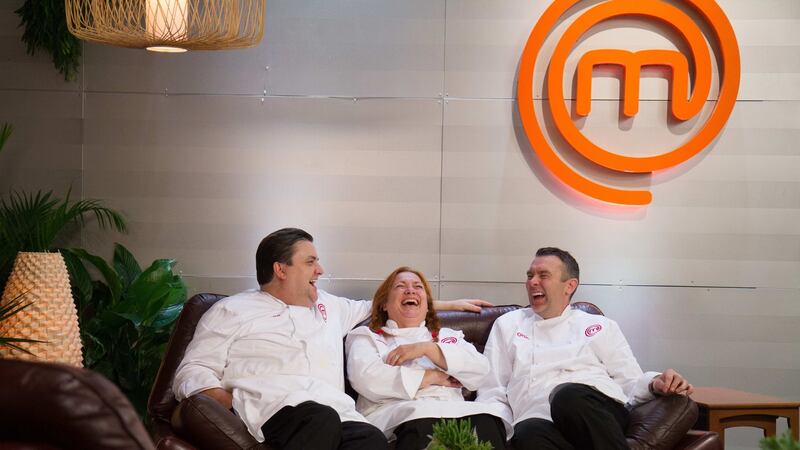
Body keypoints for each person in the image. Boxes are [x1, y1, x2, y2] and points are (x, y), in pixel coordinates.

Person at [173, 228, 491, 450]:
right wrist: (223, 400)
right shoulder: (231, 309)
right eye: (310, 262)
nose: (320, 269)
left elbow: (386, 303)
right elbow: (193, 369)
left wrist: (450, 304)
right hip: (270, 408)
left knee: (371, 440)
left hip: (336, 412)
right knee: (320, 417)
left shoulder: (330, 306)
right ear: (281, 269)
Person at [477, 247, 693, 450]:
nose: (532, 282)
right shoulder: (508, 325)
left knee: (566, 396)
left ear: (569, 285)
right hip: (539, 419)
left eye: (543, 275)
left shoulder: (599, 326)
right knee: (526, 432)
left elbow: (629, 380)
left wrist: (656, 383)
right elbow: (492, 390)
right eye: (529, 275)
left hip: (594, 412)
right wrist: (499, 432)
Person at [346, 267, 507, 450]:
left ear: (427, 304)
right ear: (384, 304)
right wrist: (432, 376)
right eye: (400, 286)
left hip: (456, 410)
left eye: (418, 286)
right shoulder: (366, 336)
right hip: (398, 416)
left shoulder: (448, 336)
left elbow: (481, 371)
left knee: (488, 420)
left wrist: (427, 349)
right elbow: (367, 378)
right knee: (423, 422)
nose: (410, 290)